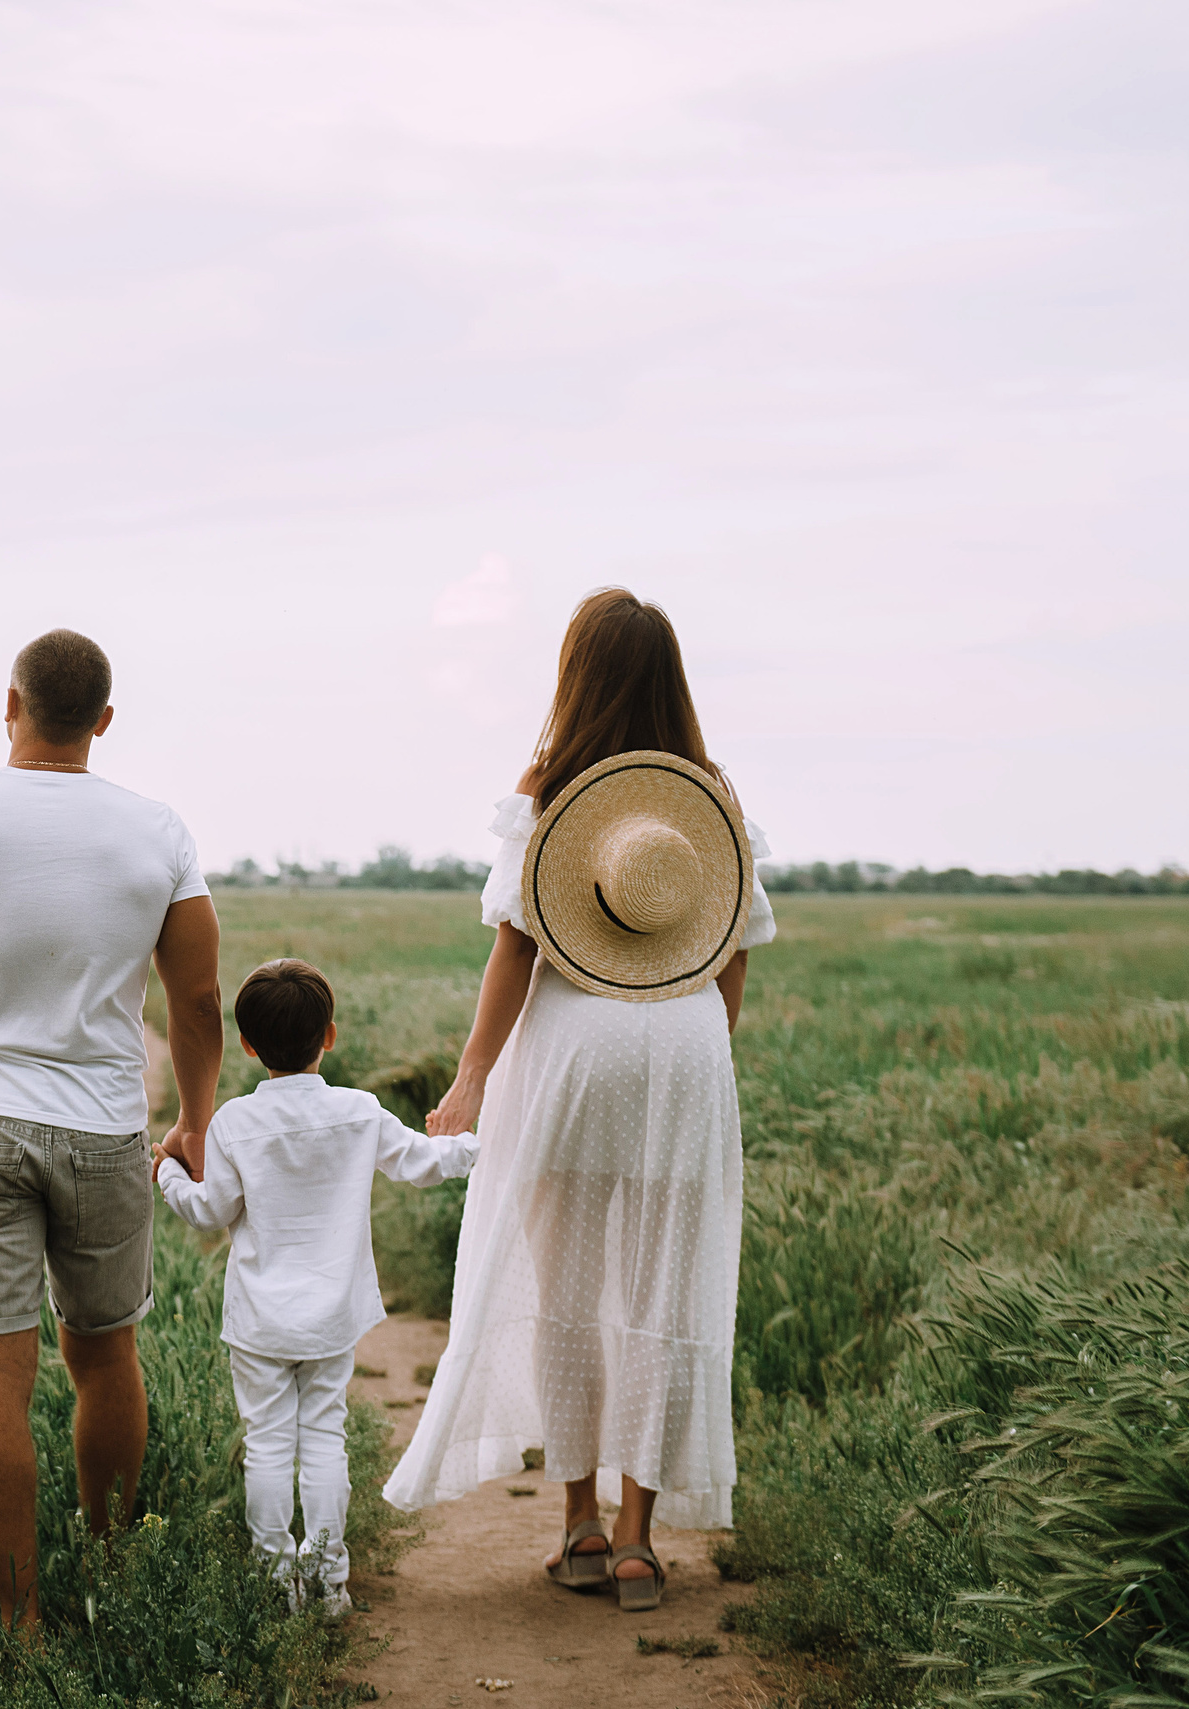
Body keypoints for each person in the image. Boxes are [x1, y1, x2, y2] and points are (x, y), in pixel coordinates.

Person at [384, 588, 776, 1614]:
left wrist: (471, 1078)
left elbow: (515, 947)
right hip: (683, 1049)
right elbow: (732, 956)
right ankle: (644, 1539)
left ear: (579, 674)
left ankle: (580, 1526)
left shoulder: (550, 787)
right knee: (665, 1290)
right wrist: (692, 1053)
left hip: (571, 1051)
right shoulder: (710, 797)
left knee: (564, 1287)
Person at [0, 629, 224, 1628]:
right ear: (103, 719)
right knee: (106, 1357)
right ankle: (106, 1572)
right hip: (105, 1128)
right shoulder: (158, 832)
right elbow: (196, 1002)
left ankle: (18, 1618)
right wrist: (193, 1120)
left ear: (8, 702)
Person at [156, 959, 477, 1615]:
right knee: (324, 1439)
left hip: (259, 1320)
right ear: (329, 1035)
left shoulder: (235, 1124)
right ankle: (330, 1581)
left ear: (247, 1045)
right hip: (333, 1314)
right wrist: (474, 1144)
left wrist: (166, 1174)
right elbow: (424, 1163)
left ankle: (277, 1586)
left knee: (269, 1446)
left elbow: (208, 1210)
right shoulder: (359, 1111)